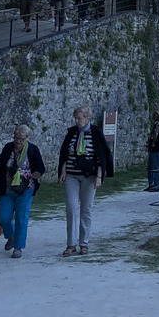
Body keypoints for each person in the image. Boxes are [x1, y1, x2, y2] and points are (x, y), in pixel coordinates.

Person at [57, 105, 113, 256]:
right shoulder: (71, 133)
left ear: (88, 118)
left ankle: (84, 242)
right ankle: (71, 244)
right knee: (71, 208)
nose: (77, 121)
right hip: (72, 175)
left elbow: (101, 157)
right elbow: (65, 154)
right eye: (75, 118)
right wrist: (63, 170)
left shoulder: (95, 133)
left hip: (90, 176)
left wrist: (100, 177)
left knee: (86, 210)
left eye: (80, 118)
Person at [0, 124, 45, 259]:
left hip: (25, 189)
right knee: (3, 217)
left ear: (28, 138)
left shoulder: (32, 150)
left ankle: (18, 247)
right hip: (7, 188)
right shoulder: (8, 148)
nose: (18, 141)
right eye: (16, 138)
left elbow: (41, 167)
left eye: (21, 139)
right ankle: (11, 235)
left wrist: (38, 173)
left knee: (22, 217)